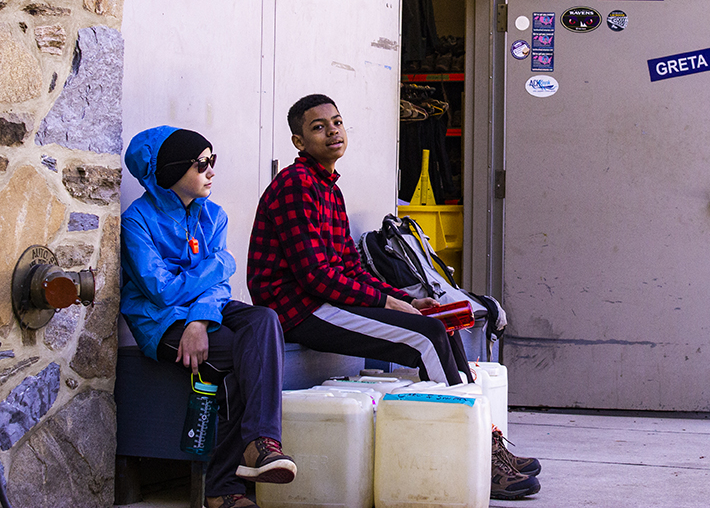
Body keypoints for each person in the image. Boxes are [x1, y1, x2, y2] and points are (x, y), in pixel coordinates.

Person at [247, 94, 541, 499]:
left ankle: (483, 444)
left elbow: (350, 266)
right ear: (298, 142)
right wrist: (386, 303)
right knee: (424, 339)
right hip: (301, 309)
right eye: (318, 127)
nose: (333, 131)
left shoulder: (328, 186)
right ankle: (479, 458)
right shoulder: (296, 186)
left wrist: (404, 299)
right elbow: (315, 276)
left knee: (438, 324)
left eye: (337, 122)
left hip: (329, 301)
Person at [120, 126, 296, 508]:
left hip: (203, 313)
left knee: (264, 319)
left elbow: (218, 287)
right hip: (160, 321)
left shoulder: (213, 215)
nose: (212, 171)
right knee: (236, 355)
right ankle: (222, 487)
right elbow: (160, 290)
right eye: (202, 164)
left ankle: (261, 443)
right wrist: (219, 264)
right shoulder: (137, 220)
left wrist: (199, 320)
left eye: (212, 161)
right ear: (170, 173)